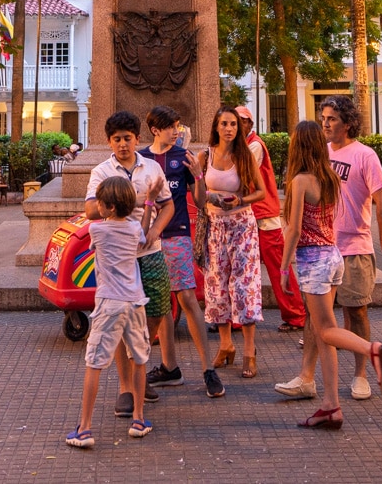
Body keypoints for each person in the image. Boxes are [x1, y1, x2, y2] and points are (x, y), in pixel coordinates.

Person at [280, 96, 382, 403]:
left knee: (355, 311)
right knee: (316, 319)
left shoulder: (365, 155)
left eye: (332, 118)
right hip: (328, 248)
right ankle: (307, 377)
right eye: (323, 118)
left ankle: (361, 374)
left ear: (348, 123)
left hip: (353, 245)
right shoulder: (322, 155)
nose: (326, 123)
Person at [85, 111, 174, 420]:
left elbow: (168, 204)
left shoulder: (151, 167)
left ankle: (140, 369)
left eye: (128, 138)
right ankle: (126, 388)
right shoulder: (100, 172)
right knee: (122, 319)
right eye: (117, 139)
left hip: (150, 250)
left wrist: (153, 231)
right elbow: (89, 210)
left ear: (138, 139)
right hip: (118, 258)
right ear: (109, 142)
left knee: (159, 309)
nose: (123, 144)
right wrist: (129, 202)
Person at [66, 175, 160, 449]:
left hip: (109, 303)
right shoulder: (133, 229)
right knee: (140, 359)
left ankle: (84, 427)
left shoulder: (97, 230)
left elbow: (90, 224)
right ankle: (139, 419)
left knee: (94, 363)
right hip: (135, 302)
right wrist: (150, 202)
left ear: (107, 207)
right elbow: (142, 229)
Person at [139, 105, 223, 398]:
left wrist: (199, 176)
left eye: (178, 126)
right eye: (171, 127)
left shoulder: (184, 158)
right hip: (148, 240)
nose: (177, 132)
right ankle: (169, 367)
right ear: (155, 130)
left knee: (187, 297)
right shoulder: (142, 159)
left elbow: (199, 203)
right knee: (160, 303)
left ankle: (207, 369)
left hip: (177, 235)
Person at [196, 106, 265, 379]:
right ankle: (226, 345)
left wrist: (240, 200)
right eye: (224, 123)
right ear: (216, 126)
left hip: (241, 226)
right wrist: (208, 195)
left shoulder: (244, 155)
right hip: (214, 227)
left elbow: (260, 191)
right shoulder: (204, 156)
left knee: (245, 285)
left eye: (234, 124)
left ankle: (249, 350)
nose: (229, 129)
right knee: (216, 285)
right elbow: (198, 195)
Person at [239, 106, 306, 333]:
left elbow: (241, 173)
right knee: (246, 269)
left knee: (277, 267)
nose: (238, 125)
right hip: (252, 214)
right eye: (233, 121)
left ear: (250, 124)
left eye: (242, 121)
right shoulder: (245, 146)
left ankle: (296, 315)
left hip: (263, 216)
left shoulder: (254, 146)